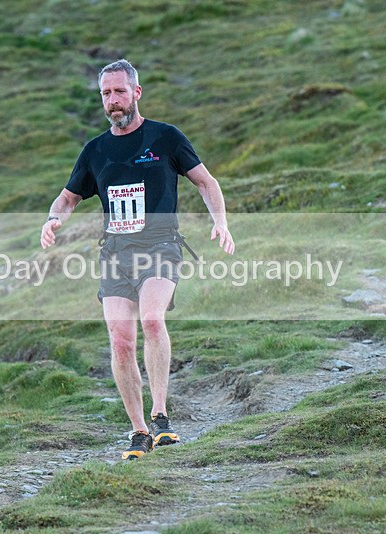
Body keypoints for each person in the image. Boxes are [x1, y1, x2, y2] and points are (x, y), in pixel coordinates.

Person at [40, 59, 235, 460]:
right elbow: (69, 196)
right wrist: (53, 218)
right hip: (116, 255)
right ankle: (139, 431)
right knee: (120, 340)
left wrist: (221, 222)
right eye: (106, 94)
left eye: (120, 91)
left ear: (136, 92)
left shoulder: (166, 138)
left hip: (161, 246)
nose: (113, 100)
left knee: (151, 319)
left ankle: (162, 415)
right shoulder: (95, 150)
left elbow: (206, 181)